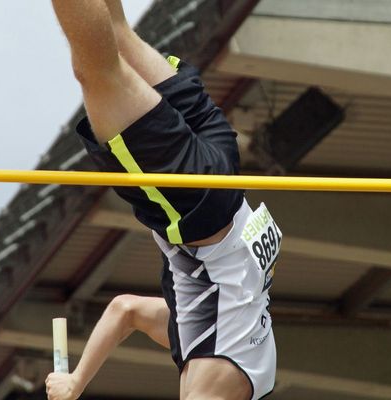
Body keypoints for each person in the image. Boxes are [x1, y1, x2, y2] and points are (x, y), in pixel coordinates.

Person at [45, 1, 282, 399]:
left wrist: (75, 383)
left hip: (222, 172)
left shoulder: (217, 332)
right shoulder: (214, 380)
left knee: (117, 33)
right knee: (98, 73)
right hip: (194, 205)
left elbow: (127, 311)